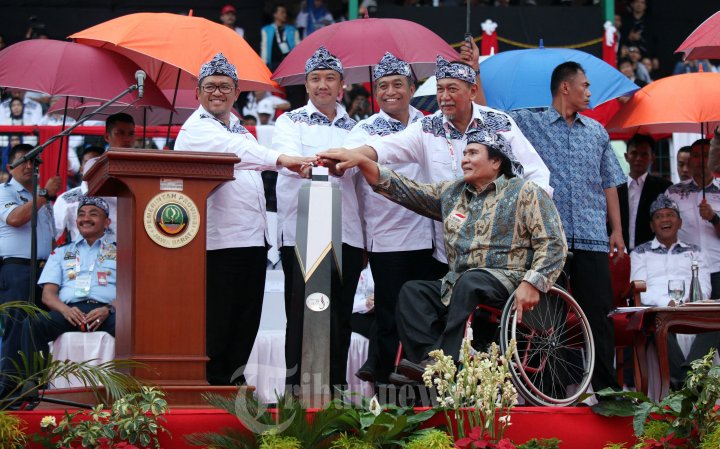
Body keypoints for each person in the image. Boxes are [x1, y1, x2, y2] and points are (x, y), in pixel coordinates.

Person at [319, 129, 567, 383]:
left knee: (470, 281)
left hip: (511, 279)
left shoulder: (526, 192)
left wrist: (532, 282)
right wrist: (363, 161)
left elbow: (554, 243)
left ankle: (446, 359)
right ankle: (430, 362)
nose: (464, 160)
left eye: (473, 153)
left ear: (495, 161)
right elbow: (406, 189)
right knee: (413, 292)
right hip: (462, 283)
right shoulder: (453, 193)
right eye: (464, 154)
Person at [332, 54, 551, 269]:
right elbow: (387, 147)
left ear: (472, 91)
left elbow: (535, 173)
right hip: (448, 253)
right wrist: (353, 155)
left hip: (501, 250)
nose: (444, 96)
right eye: (440, 89)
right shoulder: (427, 127)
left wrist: (530, 215)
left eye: (452, 89)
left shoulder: (499, 123)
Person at [174, 53, 312, 386]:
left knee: (246, 320)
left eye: (225, 86)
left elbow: (254, 159)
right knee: (219, 322)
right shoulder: (196, 129)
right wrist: (285, 160)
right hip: (218, 243)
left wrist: (302, 166)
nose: (217, 92)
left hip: (252, 240)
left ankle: (233, 385)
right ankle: (212, 388)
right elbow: (242, 154)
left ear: (236, 92)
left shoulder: (239, 128)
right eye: (210, 86)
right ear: (197, 92)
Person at [508, 61, 627, 395]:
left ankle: (606, 392)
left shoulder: (597, 131)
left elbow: (610, 182)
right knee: (547, 319)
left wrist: (617, 230)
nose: (589, 92)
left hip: (592, 237)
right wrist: (474, 72)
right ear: (565, 87)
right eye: (584, 86)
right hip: (548, 239)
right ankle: (549, 392)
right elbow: (493, 120)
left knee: (599, 315)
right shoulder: (530, 123)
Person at [342, 52, 445, 384]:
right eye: (383, 86)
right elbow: (346, 169)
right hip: (389, 236)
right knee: (389, 314)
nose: (390, 92)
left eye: (397, 84)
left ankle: (427, 386)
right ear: (375, 92)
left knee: (428, 314)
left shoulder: (431, 124)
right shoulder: (364, 130)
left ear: (412, 88)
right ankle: (386, 389)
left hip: (433, 236)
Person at [272, 46, 363, 388]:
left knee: (340, 317)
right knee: (301, 315)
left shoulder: (358, 128)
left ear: (341, 84)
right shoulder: (289, 121)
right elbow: (290, 160)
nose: (322, 85)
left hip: (348, 233)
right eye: (315, 79)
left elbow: (363, 180)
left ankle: (336, 396)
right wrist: (329, 164)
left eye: (329, 78)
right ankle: (297, 398)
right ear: (306, 84)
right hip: (303, 233)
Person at [20, 196, 117, 375]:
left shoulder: (121, 251)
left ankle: (136, 384)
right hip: (70, 312)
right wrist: (65, 311)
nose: (86, 218)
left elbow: (131, 292)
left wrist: (108, 309)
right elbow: (48, 295)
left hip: (106, 312)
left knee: (136, 327)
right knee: (32, 324)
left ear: (107, 222)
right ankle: (33, 383)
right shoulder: (61, 251)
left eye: (93, 214)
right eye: (81, 214)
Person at [630, 195, 717, 387]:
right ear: (652, 226)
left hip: (691, 308)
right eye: (659, 216)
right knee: (658, 323)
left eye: (670, 215)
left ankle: (684, 378)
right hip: (658, 311)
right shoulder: (640, 253)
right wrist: (666, 303)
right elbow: (639, 288)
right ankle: (689, 381)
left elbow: (705, 286)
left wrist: (688, 302)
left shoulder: (696, 251)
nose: (665, 219)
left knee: (715, 322)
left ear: (680, 222)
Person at [0, 144, 61, 400]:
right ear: (9, 167)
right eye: (24, 161)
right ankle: (8, 389)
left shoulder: (40, 198)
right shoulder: (4, 191)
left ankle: (36, 384)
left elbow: (52, 236)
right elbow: (15, 219)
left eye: (35, 162)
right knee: (17, 325)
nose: (29, 166)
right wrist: (44, 194)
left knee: (39, 327)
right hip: (17, 269)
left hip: (44, 270)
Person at [665, 139, 720, 298]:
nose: (701, 160)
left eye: (706, 155)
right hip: (686, 268)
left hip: (718, 267)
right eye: (696, 155)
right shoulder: (673, 192)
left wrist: (714, 218)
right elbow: (664, 231)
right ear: (690, 161)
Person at [53, 146, 118, 243]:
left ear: (106, 167)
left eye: (97, 163)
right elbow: (53, 234)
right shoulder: (66, 199)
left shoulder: (118, 197)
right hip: (80, 251)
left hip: (116, 251)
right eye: (88, 163)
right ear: (81, 169)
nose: (93, 167)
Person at [618, 135, 671, 250]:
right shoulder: (616, 188)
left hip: (652, 252)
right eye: (634, 153)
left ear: (652, 158)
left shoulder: (663, 188)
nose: (638, 158)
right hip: (621, 252)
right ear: (626, 156)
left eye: (644, 154)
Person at [260, 3, 301, 71]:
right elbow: (264, 48)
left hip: (290, 64)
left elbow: (298, 47)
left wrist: (299, 63)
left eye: (285, 13)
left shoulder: (292, 30)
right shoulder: (266, 30)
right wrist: (263, 66)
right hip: (274, 65)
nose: (285, 15)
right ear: (275, 14)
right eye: (282, 12)